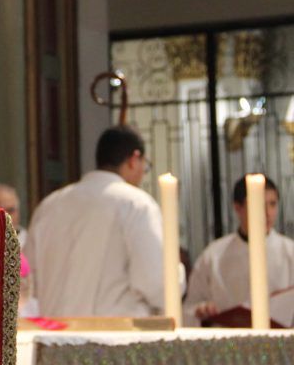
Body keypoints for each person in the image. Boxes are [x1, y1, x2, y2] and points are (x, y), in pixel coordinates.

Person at [24, 125, 168, 317]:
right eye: (145, 166)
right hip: (113, 332)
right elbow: (156, 283)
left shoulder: (49, 206)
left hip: (55, 331)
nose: (143, 173)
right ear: (134, 160)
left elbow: (29, 282)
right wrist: (177, 274)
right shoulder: (136, 205)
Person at [183, 175, 294, 326]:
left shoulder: (290, 252)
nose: (267, 213)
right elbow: (189, 308)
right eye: (258, 204)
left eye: (272, 204)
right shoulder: (213, 256)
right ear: (238, 207)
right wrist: (202, 311)